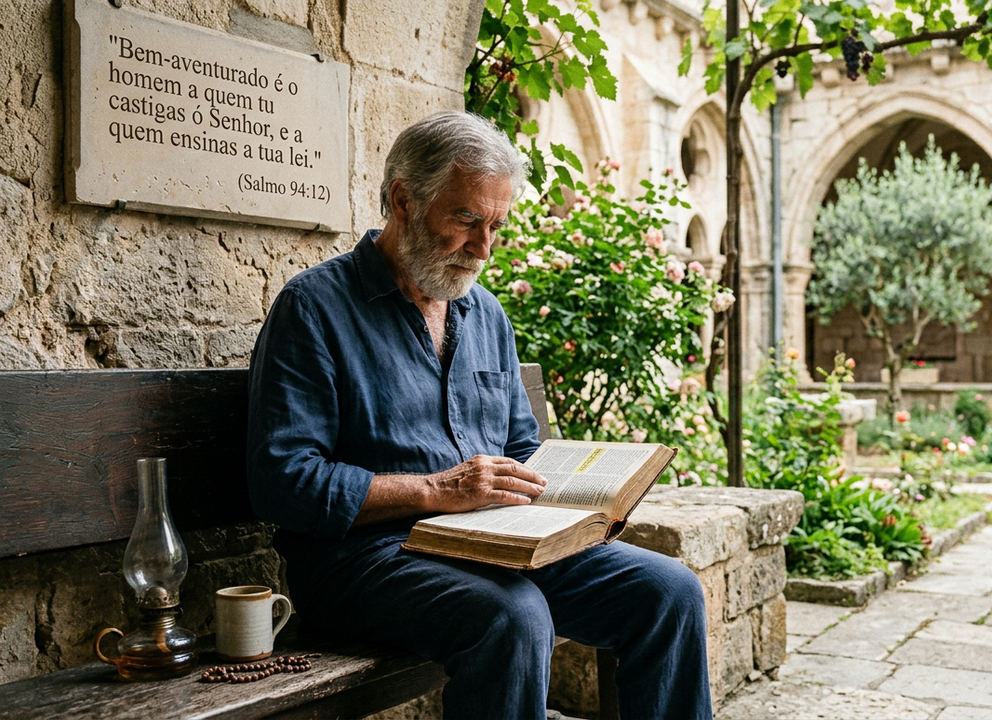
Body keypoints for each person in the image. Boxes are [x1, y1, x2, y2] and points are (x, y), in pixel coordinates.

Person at [246, 110, 712, 720]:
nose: (485, 247)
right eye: (466, 220)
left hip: (493, 545)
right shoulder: (314, 309)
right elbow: (282, 481)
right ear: (403, 201)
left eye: (496, 224)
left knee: (669, 592)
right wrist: (435, 490)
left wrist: (582, 511)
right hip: (365, 561)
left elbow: (522, 450)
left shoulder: (485, 314)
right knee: (514, 615)